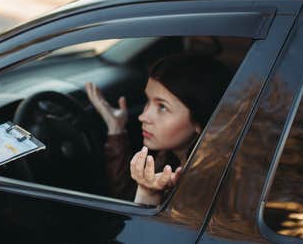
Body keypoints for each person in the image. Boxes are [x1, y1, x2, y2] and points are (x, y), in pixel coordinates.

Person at [85, 54, 232, 206]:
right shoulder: (170, 156)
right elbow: (127, 198)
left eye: (162, 107)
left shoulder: (206, 187)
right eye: (148, 101)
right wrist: (116, 128)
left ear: (200, 120)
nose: (143, 116)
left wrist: (149, 195)